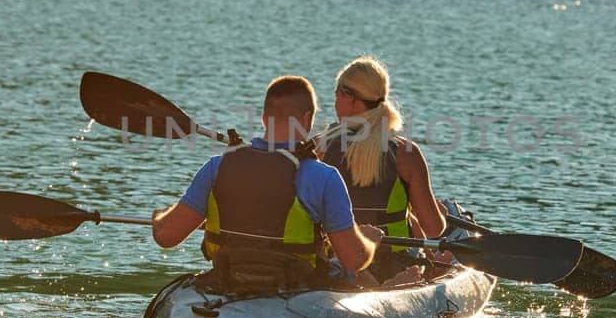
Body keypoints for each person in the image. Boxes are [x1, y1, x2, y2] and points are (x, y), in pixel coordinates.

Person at [151, 75, 382, 293]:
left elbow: (166, 236)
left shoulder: (217, 167)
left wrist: (159, 217)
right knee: (351, 273)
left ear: (264, 118)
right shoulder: (324, 177)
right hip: (296, 290)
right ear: (306, 119)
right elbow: (353, 259)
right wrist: (368, 242)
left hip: (229, 282)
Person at [315, 55, 445, 284]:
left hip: (338, 257)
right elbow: (434, 229)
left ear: (350, 99)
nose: (334, 103)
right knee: (445, 250)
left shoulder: (319, 147)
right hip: (395, 263)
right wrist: (437, 215)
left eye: (337, 95)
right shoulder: (406, 153)